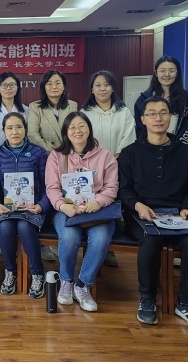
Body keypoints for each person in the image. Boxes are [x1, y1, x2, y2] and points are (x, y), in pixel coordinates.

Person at [119, 96, 188, 331]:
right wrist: (137, 205)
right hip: (142, 214)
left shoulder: (186, 153)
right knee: (151, 240)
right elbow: (124, 190)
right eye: (152, 114)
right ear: (143, 119)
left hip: (178, 215)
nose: (157, 118)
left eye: (163, 113)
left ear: (170, 117)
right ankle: (147, 298)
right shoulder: (130, 153)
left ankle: (187, 303)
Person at [45, 111, 119, 312]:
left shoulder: (105, 156)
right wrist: (62, 206)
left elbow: (112, 187)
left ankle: (83, 285)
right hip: (67, 210)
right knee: (69, 238)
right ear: (65, 132)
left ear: (89, 129)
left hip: (98, 211)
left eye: (81, 126)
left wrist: (98, 202)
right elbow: (52, 187)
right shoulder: (56, 156)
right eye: (72, 127)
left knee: (101, 238)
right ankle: (66, 281)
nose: (77, 131)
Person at [0, 112, 51, 298]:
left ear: (25, 129)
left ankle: (37, 273)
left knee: (24, 226)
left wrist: (41, 205)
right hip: (7, 209)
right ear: (4, 131)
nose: (14, 132)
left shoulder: (39, 152)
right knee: (6, 227)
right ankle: (10, 271)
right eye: (10, 128)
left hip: (33, 209)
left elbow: (48, 186)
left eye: (18, 127)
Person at [81, 70, 136, 267]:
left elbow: (128, 138)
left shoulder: (124, 112)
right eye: (98, 85)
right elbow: (80, 138)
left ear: (113, 88)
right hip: (89, 168)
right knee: (91, 203)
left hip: (118, 165)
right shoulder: (85, 113)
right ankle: (92, 244)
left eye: (106, 84)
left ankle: (109, 247)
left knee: (112, 203)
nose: (102, 88)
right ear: (92, 89)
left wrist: (113, 159)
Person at [28, 70, 77, 262]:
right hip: (45, 158)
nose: (54, 87)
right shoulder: (35, 107)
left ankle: (61, 239)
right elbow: (33, 135)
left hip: (69, 160)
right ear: (43, 87)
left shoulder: (72, 105)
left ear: (64, 86)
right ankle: (45, 244)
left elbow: (75, 130)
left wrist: (65, 152)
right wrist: (56, 152)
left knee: (64, 196)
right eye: (49, 83)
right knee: (46, 195)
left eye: (58, 83)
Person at [134, 56, 188, 146]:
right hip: (149, 150)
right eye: (162, 71)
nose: (167, 74)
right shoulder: (143, 99)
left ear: (177, 73)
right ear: (156, 73)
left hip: (178, 150)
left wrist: (177, 148)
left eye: (171, 71)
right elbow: (140, 128)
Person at [0, 72, 29, 157]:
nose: (8, 88)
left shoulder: (26, 110)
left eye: (12, 85)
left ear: (17, 87)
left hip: (21, 155)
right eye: (4, 85)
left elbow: (29, 136)